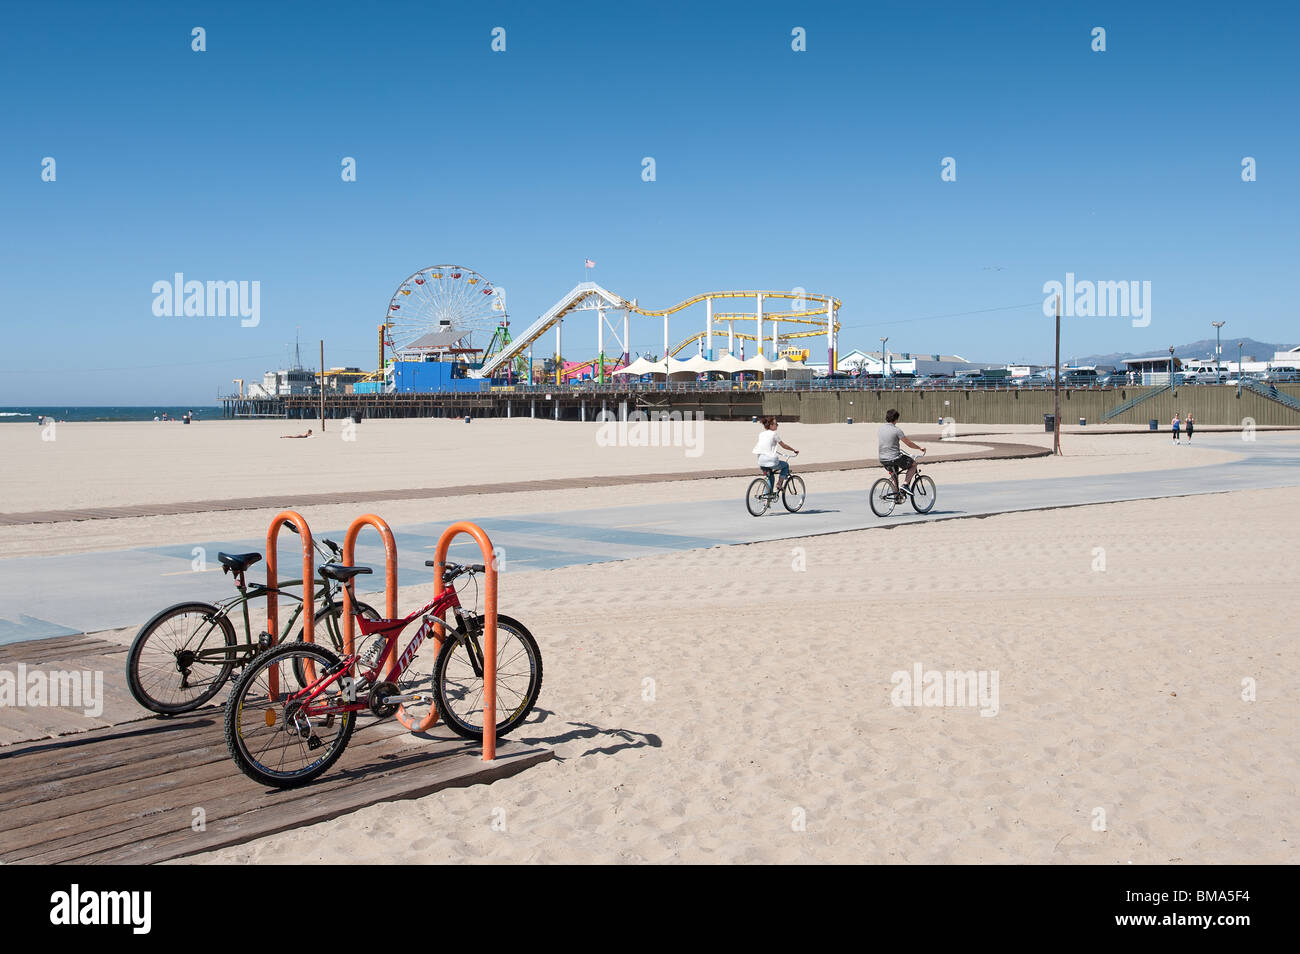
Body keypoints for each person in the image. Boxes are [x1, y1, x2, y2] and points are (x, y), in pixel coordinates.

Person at [879, 409, 926, 496]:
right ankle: (905, 485)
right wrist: (920, 448)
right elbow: (908, 443)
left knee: (894, 473)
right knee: (913, 464)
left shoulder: (881, 429)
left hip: (883, 458)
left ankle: (897, 494)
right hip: (894, 458)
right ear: (896, 419)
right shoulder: (897, 430)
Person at [751, 416, 797, 493]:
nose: (777, 425)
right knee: (785, 465)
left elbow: (766, 445)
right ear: (771, 425)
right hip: (770, 460)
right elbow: (783, 445)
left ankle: (767, 499)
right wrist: (793, 450)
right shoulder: (774, 434)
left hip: (761, 460)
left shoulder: (761, 434)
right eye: (776, 424)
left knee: (770, 477)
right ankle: (779, 484)